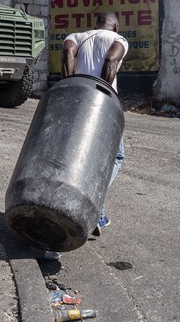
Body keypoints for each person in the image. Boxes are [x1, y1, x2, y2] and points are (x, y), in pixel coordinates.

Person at [61, 12, 128, 234]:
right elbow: (111, 60)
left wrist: (70, 87)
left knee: (80, 156)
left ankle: (98, 216)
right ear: (115, 27)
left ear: (96, 24)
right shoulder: (118, 40)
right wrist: (100, 95)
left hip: (75, 101)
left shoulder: (77, 37)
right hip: (103, 105)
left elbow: (68, 52)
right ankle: (92, 197)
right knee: (115, 157)